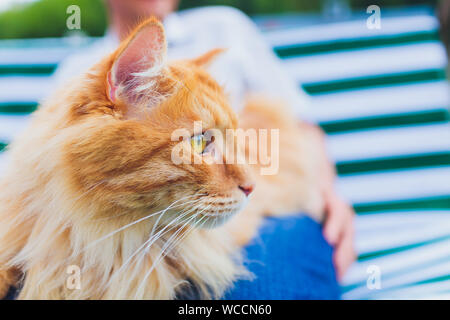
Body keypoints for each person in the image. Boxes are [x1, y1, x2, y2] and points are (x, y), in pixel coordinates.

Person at [53, 0, 355, 298]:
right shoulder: (75, 71)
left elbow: (304, 127)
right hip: (123, 245)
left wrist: (327, 197)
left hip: (260, 216)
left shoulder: (223, 28)